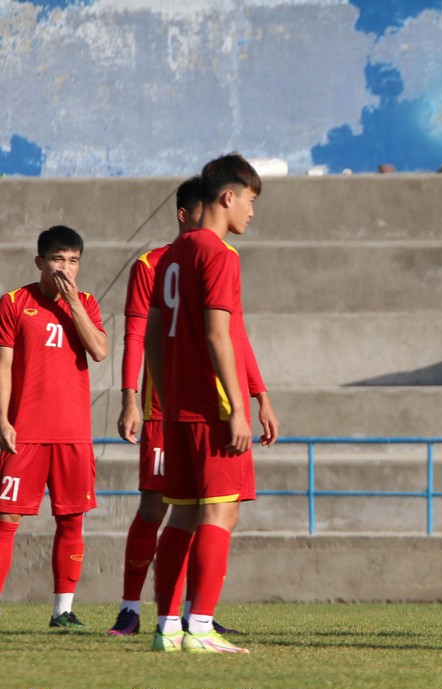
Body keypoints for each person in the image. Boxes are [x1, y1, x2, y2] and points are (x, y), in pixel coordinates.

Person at [108, 177, 276, 636]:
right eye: (251, 200)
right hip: (212, 408)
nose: (252, 211)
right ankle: (197, 624)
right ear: (226, 197)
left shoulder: (173, 258)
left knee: (181, 511)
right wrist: (240, 406)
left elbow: (164, 333)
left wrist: (258, 394)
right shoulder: (215, 254)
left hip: (179, 408)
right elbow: (222, 335)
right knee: (217, 511)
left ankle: (169, 625)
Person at [0, 226, 108, 628]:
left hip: (72, 432)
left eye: (74, 261)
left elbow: (99, 350)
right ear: (39, 261)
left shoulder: (88, 303)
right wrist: (2, 419)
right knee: (6, 519)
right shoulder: (13, 303)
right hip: (24, 432)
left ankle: (62, 611)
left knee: (72, 519)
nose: (65, 268)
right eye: (58, 260)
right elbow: (4, 366)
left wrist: (73, 303)